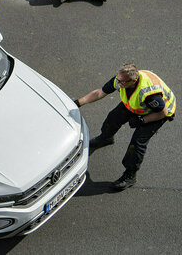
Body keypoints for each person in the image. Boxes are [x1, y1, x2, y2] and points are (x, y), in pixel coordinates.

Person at [73, 63, 176, 191]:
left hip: (157, 113)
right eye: (118, 80)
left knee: (137, 143)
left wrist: (142, 120)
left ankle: (130, 175)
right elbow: (99, 92)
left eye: (122, 82)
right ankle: (106, 138)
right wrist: (78, 103)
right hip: (137, 104)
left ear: (133, 81)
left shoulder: (149, 93)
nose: (118, 84)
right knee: (113, 118)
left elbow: (163, 112)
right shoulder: (121, 79)